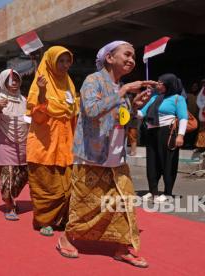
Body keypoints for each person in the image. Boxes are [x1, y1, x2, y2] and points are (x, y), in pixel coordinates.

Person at [59, 41, 152, 268]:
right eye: (127, 55)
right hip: (91, 156)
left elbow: (120, 121)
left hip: (116, 157)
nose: (132, 60)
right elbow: (91, 111)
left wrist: (134, 108)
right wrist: (123, 92)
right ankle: (65, 238)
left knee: (123, 202)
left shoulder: (120, 87)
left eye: (134, 57)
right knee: (86, 204)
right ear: (110, 58)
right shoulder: (93, 81)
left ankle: (122, 248)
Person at [26, 46, 78, 237]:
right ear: (50, 62)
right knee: (46, 185)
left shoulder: (69, 84)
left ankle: (62, 219)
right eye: (60, 61)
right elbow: (37, 114)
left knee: (67, 185)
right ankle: (44, 221)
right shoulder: (41, 81)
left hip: (66, 144)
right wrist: (41, 91)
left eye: (67, 61)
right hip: (44, 145)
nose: (64, 66)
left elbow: (73, 111)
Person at [0, 69, 30, 220]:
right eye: (10, 80)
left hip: (23, 145)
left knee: (25, 174)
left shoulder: (24, 100)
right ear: (3, 83)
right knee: (7, 178)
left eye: (16, 80)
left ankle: (11, 197)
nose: (14, 83)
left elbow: (29, 121)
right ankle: (10, 206)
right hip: (3, 145)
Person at [140, 73, 188, 203]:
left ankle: (167, 192)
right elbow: (141, 113)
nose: (158, 84)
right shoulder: (154, 97)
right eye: (158, 81)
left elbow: (183, 117)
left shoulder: (178, 99)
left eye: (161, 82)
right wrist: (132, 108)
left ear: (169, 84)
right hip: (151, 131)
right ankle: (153, 191)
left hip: (167, 132)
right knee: (152, 162)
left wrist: (180, 136)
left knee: (168, 162)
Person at [184, 82, 200, 148]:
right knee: (187, 129)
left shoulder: (200, 94)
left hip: (197, 115)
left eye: (196, 86)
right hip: (189, 114)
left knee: (195, 130)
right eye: (193, 86)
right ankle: (186, 144)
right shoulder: (187, 95)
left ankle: (193, 144)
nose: (194, 87)